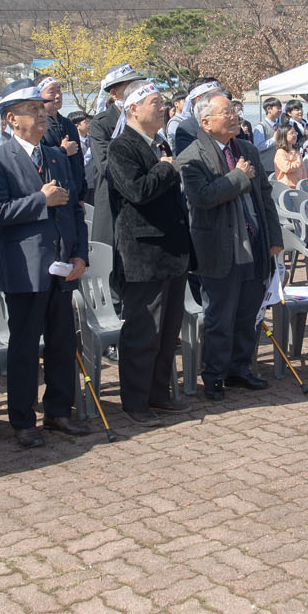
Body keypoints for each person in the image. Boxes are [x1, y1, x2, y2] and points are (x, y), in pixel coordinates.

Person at [0, 83, 92, 447]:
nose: (43, 115)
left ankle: (59, 411)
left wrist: (80, 254)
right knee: (25, 347)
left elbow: (75, 208)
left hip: (62, 265)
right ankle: (22, 419)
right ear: (12, 119)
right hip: (26, 269)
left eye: (43, 109)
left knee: (62, 343)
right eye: (33, 110)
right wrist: (40, 200)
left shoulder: (56, 156)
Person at [179, 89, 282, 399]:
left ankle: (240, 369)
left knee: (248, 314)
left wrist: (274, 237)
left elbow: (265, 196)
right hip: (220, 248)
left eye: (235, 111)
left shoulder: (247, 149)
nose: (235, 116)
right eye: (227, 113)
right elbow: (203, 197)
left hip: (255, 243)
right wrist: (238, 177)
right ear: (206, 122)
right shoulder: (192, 156)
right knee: (219, 317)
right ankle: (214, 375)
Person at [105, 81, 194, 424]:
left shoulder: (160, 143)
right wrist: (165, 168)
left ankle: (158, 393)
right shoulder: (121, 147)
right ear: (133, 109)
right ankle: (136, 401)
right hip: (143, 254)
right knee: (143, 332)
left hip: (172, 251)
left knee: (167, 332)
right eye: (155, 102)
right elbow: (137, 191)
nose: (163, 108)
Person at [86, 63, 147, 268]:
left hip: (142, 200)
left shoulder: (145, 119)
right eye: (129, 86)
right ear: (114, 93)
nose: (136, 90)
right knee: (113, 264)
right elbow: (105, 164)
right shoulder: (101, 123)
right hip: (113, 200)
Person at [37, 75, 87, 201]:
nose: (58, 96)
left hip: (73, 194)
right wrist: (62, 151)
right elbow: (37, 157)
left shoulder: (68, 124)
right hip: (51, 195)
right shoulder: (37, 126)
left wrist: (81, 196)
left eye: (59, 91)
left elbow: (79, 162)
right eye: (52, 92)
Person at [272, 124, 307, 188]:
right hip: (286, 187)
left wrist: (305, 183)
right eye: (292, 133)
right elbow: (286, 168)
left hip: (298, 186)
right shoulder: (280, 152)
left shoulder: (297, 151)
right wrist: (297, 163)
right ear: (284, 135)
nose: (295, 135)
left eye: (295, 132)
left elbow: (303, 169)